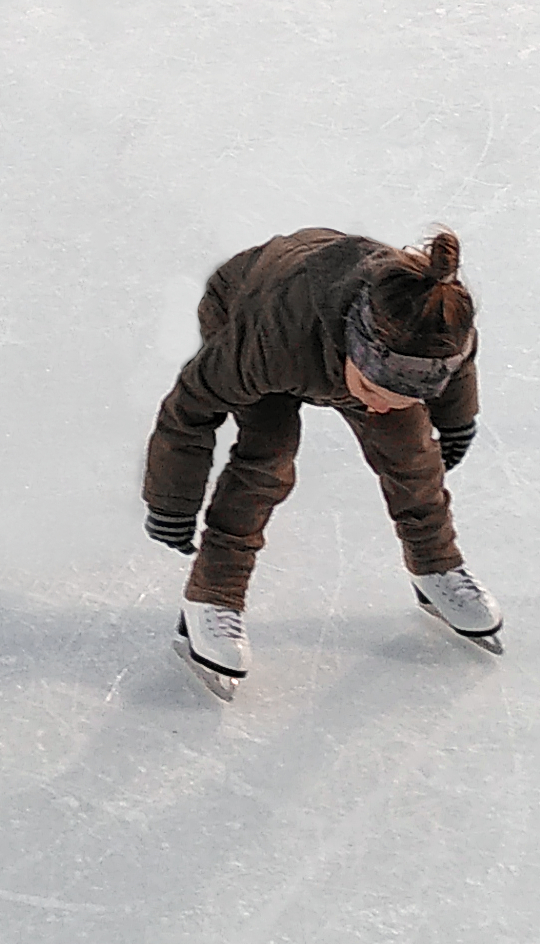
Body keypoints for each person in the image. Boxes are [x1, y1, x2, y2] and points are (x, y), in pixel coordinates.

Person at [142, 226, 501, 698]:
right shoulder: (270, 344)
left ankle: (436, 567)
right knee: (265, 461)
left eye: (405, 397)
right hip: (249, 302)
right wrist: (171, 502)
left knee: (413, 456)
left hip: (352, 337)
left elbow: (457, 371)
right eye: (374, 393)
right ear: (357, 352)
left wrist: (455, 420)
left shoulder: (438, 325)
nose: (380, 407)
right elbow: (188, 408)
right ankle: (211, 599)